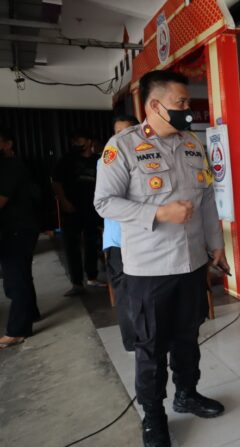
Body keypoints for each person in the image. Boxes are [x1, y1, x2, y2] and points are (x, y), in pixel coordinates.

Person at [94, 70, 229, 447]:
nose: (188, 109)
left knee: (188, 336)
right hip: (149, 270)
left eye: (188, 102)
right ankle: (153, 416)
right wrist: (158, 213)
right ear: (155, 105)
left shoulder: (192, 144)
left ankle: (187, 393)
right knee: (151, 347)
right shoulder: (122, 146)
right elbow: (104, 202)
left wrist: (216, 245)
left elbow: (207, 200)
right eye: (180, 103)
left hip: (191, 263)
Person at [0, 128, 41, 349]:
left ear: (7, 144)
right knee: (21, 274)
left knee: (15, 279)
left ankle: (17, 330)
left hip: (17, 229)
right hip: (16, 228)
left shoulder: (10, 167)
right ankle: (31, 313)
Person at [103, 115, 140, 352]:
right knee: (125, 292)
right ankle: (133, 342)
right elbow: (107, 202)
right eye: (118, 133)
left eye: (128, 132)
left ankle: (149, 337)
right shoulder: (109, 160)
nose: (123, 137)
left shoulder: (146, 156)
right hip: (119, 240)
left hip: (143, 238)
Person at [53, 129, 105, 296]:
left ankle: (92, 277)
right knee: (72, 246)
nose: (75, 143)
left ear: (89, 141)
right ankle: (77, 283)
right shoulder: (66, 160)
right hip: (72, 209)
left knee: (93, 244)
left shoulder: (99, 160)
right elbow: (57, 183)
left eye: (79, 139)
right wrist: (64, 201)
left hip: (93, 209)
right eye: (73, 141)